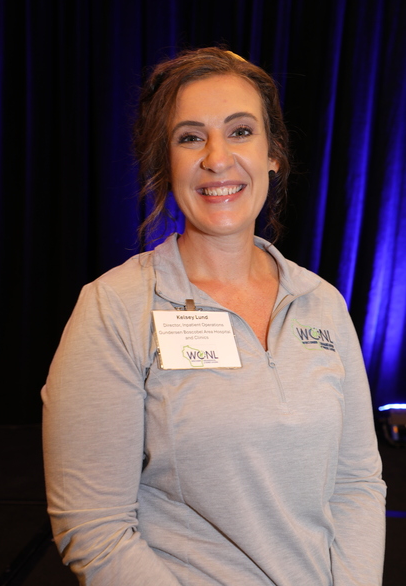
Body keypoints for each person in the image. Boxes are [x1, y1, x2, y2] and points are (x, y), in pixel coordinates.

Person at [42, 47, 386, 585]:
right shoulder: (114, 308)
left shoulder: (322, 302)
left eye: (241, 131)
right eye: (190, 137)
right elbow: (94, 529)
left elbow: (356, 482)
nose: (217, 158)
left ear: (274, 153)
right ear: (165, 162)